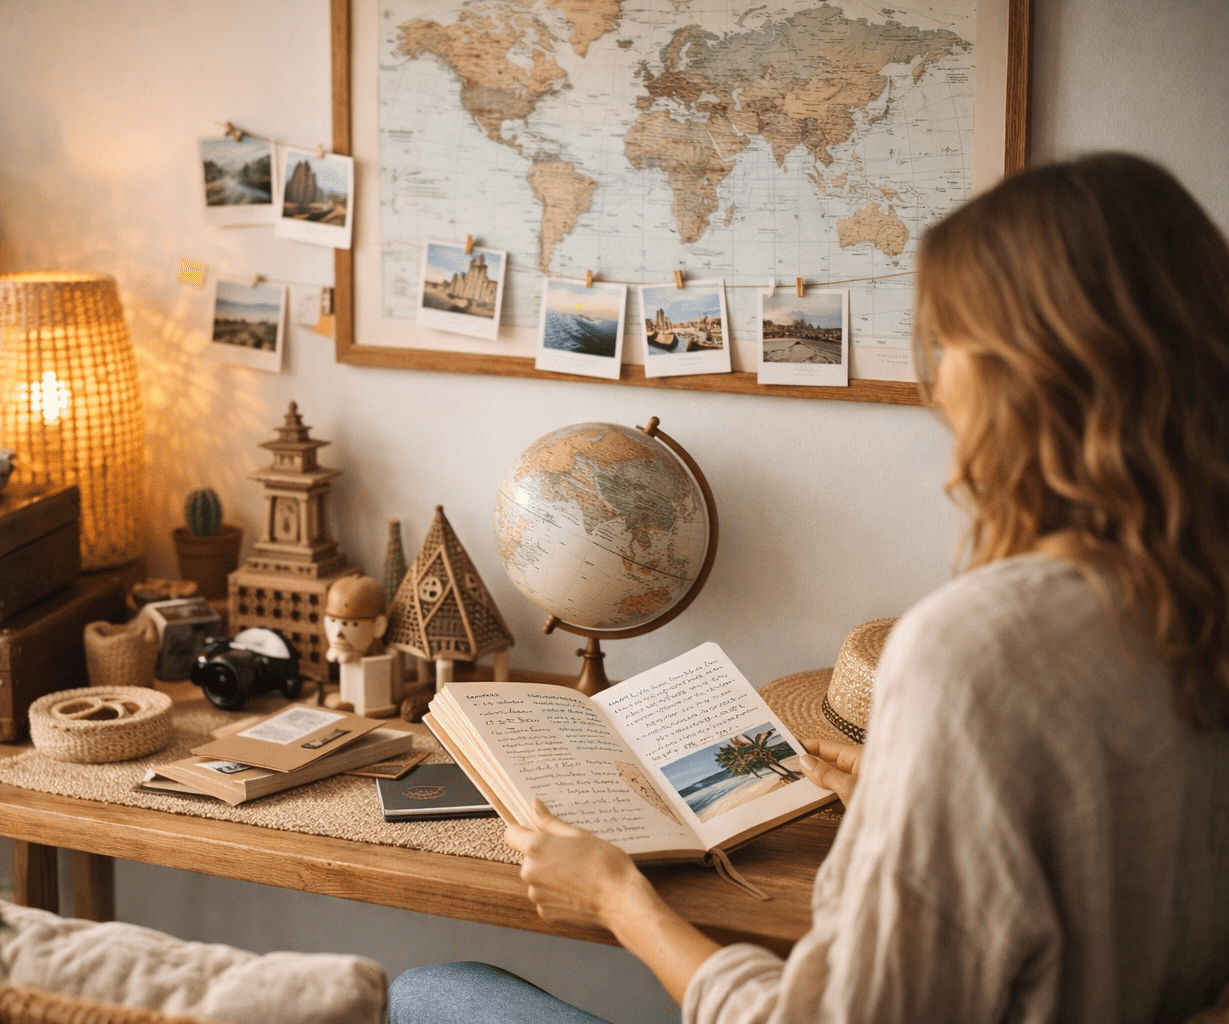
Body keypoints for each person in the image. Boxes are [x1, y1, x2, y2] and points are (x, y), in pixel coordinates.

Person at [386, 153, 1229, 1024]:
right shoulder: (1189, 611)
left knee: (430, 992)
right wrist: (906, 812)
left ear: (1028, 372)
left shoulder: (977, 648)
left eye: (952, 344)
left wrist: (616, 900)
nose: (942, 383)